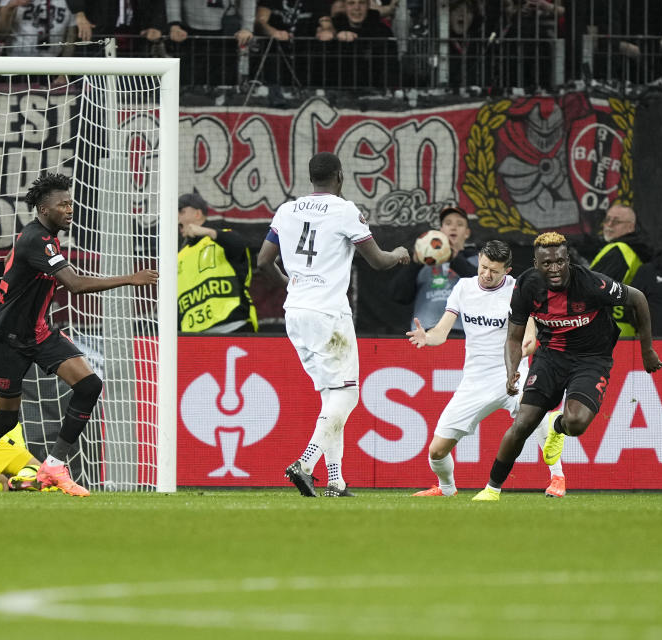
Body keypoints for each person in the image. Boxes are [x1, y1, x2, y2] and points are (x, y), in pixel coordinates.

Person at [0, 173, 159, 497]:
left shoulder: (44, 239)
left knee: (89, 385)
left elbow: (20, 268)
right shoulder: (37, 240)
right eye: (63, 204)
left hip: (39, 333)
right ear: (44, 210)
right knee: (5, 419)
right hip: (7, 339)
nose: (70, 209)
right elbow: (74, 284)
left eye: (70, 203)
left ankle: (54, 466)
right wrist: (132, 278)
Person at [257, 151, 410, 498]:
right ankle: (306, 464)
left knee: (331, 395)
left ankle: (336, 480)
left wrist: (293, 285)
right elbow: (379, 262)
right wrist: (400, 253)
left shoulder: (287, 210)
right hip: (329, 314)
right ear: (340, 176)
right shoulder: (345, 211)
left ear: (311, 178)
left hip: (295, 312)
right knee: (348, 393)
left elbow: (264, 261)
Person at [474, 231, 662, 502]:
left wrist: (647, 350)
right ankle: (491, 490)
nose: (554, 269)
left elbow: (638, 299)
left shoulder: (591, 283)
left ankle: (557, 425)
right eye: (547, 263)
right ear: (536, 263)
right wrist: (511, 370)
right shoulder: (527, 286)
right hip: (550, 356)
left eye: (560, 262)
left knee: (575, 423)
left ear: (568, 259)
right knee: (523, 423)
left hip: (592, 358)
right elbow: (514, 336)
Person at [406, 240, 566, 498]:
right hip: (474, 382)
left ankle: (557, 477)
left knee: (534, 410)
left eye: (494, 270)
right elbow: (441, 333)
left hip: (512, 374)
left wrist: (519, 356)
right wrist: (428, 337)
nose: (486, 274)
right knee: (436, 451)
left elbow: (530, 340)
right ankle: (446, 489)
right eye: (483, 267)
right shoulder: (463, 287)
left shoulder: (519, 291)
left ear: (508, 270)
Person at [389, 205, 478, 337]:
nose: (453, 227)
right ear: (441, 231)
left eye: (460, 224)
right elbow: (399, 296)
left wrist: (454, 258)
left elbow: (486, 289)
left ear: (467, 233)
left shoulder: (477, 259)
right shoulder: (423, 262)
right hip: (424, 334)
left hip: (463, 334)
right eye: (448, 223)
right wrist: (414, 264)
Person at [178, 192, 258, 334]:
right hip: (195, 337)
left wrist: (209, 232)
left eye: (181, 211)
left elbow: (242, 245)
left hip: (233, 327)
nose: (177, 217)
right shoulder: (180, 256)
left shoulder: (221, 238)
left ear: (197, 214)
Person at [589, 204, 655, 337]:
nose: (609, 224)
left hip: (606, 331)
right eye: (607, 219)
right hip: (625, 329)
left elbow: (591, 289)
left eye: (616, 221)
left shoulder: (620, 250)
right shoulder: (636, 251)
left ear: (631, 227)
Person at [166, 0, 255, 86]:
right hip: (189, 31)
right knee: (189, 82)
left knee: (224, 81)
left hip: (226, 31)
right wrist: (174, 24)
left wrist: (247, 28)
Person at [330, 0, 397, 88]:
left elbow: (391, 67)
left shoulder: (383, 31)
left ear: (368, 5)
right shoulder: (333, 29)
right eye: (351, 3)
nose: (357, 8)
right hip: (337, 89)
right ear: (344, 6)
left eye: (361, 3)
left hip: (374, 89)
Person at [0, 0, 76, 57]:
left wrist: (64, 74)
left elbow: (70, 39)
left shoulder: (69, 2)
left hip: (52, 64)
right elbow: (2, 29)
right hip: (17, 60)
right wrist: (10, 6)